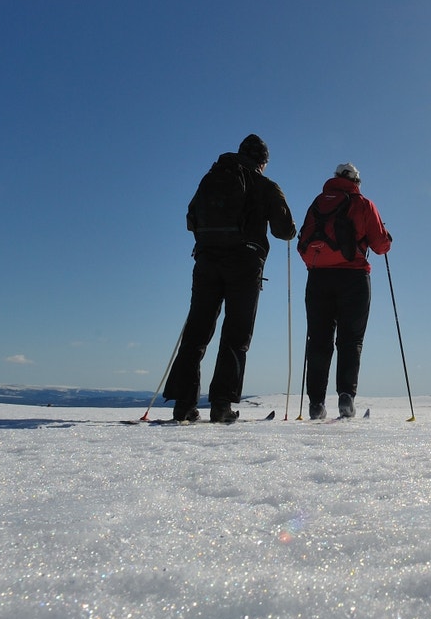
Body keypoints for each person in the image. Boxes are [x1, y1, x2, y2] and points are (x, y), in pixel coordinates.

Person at [163, 134, 296, 423]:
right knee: (236, 334)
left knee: (197, 331)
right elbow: (284, 231)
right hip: (245, 264)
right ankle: (221, 405)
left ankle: (184, 404)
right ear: (263, 161)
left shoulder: (210, 179)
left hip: (207, 261)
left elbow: (191, 218)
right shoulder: (265, 185)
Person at [298, 162, 392, 419]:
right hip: (353, 277)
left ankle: (316, 403)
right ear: (356, 181)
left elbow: (304, 240)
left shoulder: (318, 203)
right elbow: (380, 245)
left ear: (335, 177)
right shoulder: (363, 204)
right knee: (350, 340)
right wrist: (387, 238)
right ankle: (346, 398)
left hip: (318, 277)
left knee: (319, 340)